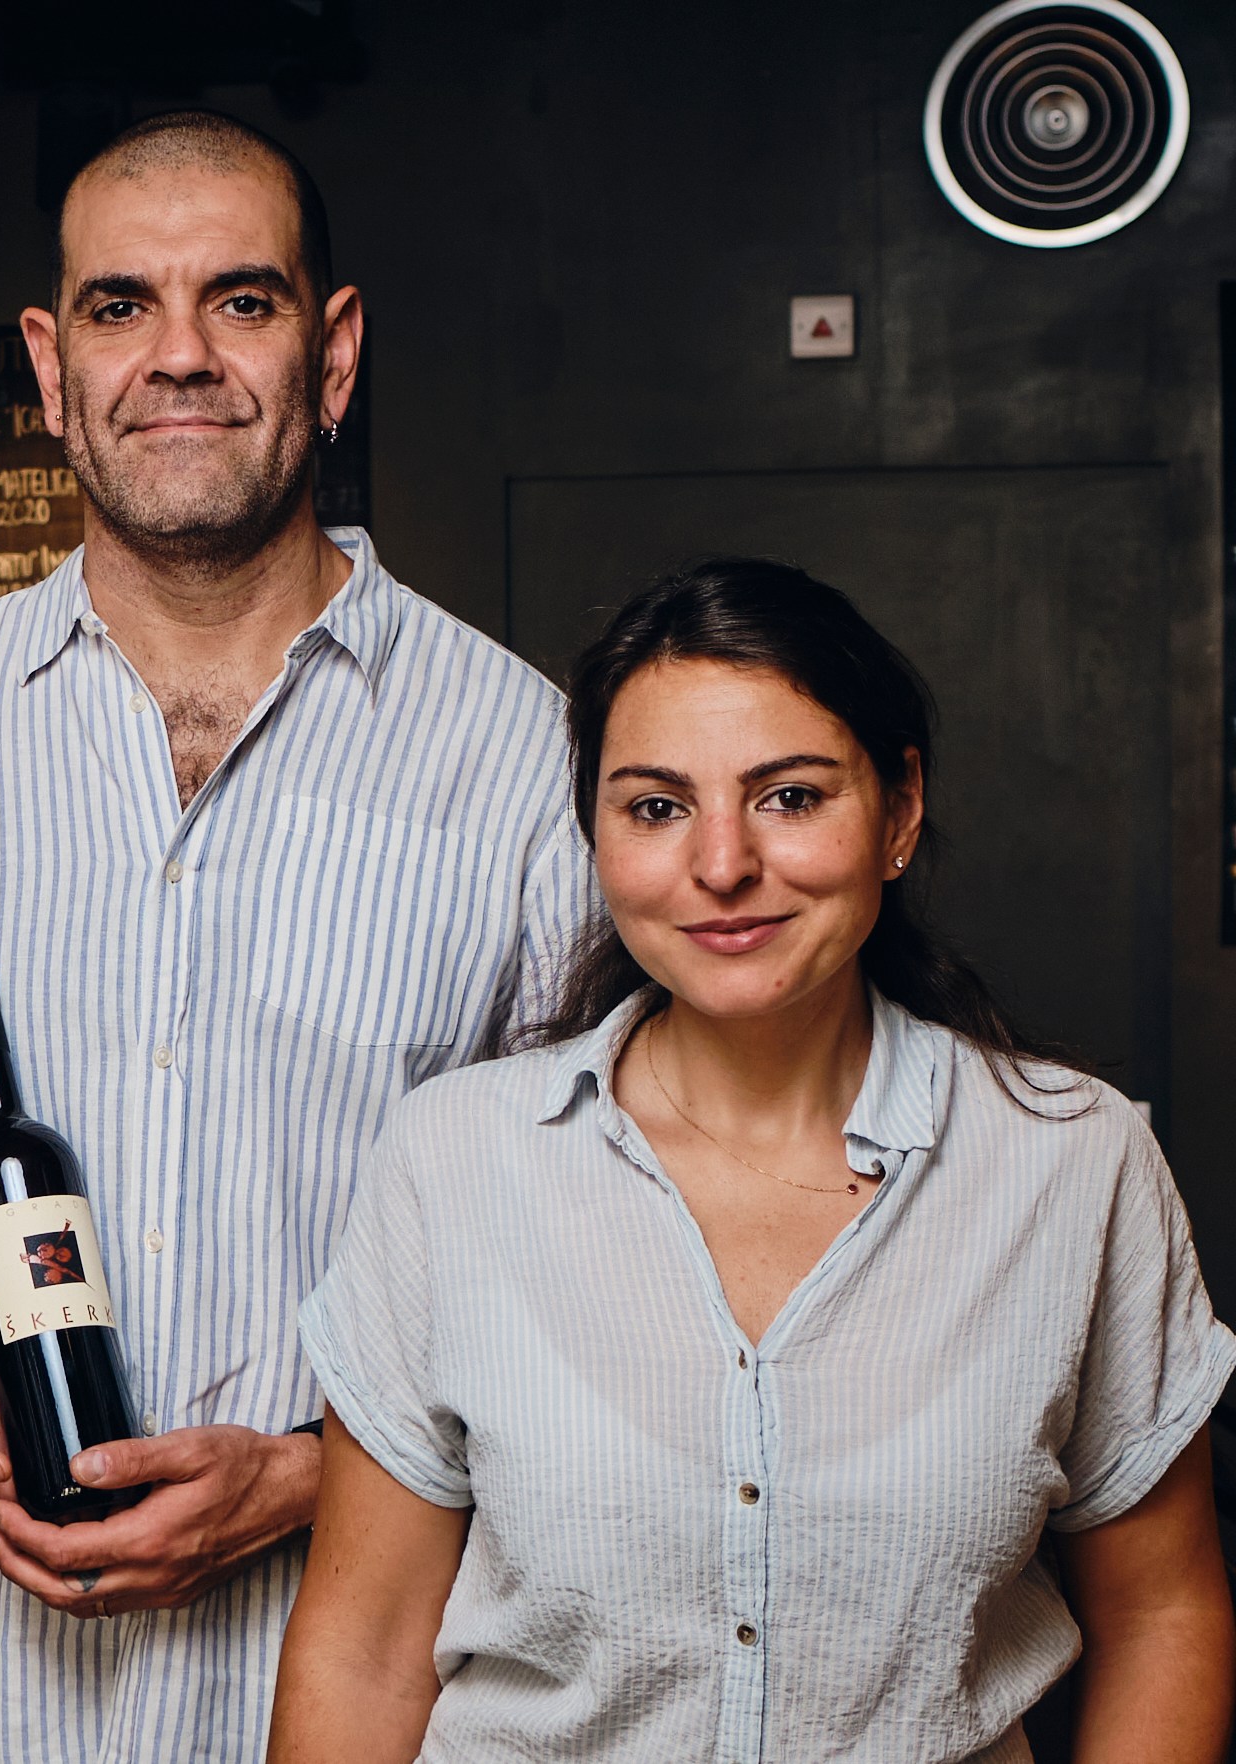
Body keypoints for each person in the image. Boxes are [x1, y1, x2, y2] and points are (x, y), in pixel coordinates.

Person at [0, 111, 594, 1764]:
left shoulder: (521, 758)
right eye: (121, 305)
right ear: (52, 368)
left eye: (242, 300)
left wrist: (317, 1475)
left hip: (371, 1721)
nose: (178, 354)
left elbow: (597, 1256)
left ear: (333, 353)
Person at [271, 557, 1236, 1764]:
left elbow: (1159, 1612)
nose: (720, 864)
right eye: (655, 807)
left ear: (897, 812)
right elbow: (364, 1648)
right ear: (594, 833)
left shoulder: (1072, 1161)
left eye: (787, 796)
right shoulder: (452, 1160)